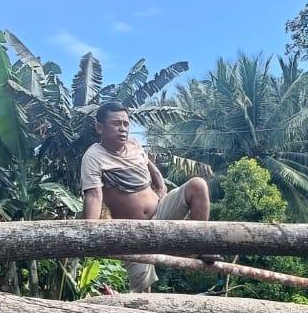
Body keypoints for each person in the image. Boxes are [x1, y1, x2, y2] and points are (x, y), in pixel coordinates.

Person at [79, 102, 211, 293]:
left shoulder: (135, 146)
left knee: (198, 185)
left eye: (126, 124)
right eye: (116, 124)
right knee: (143, 292)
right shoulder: (93, 157)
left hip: (160, 213)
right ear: (100, 128)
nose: (122, 129)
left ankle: (199, 246)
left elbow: (154, 172)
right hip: (132, 232)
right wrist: (88, 234)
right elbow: (94, 196)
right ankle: (126, 305)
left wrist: (161, 189)